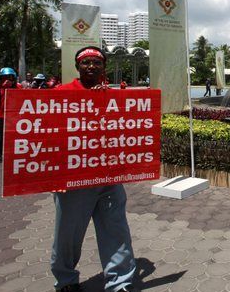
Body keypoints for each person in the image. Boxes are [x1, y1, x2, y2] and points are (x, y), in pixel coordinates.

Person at [51, 46, 136, 292]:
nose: (91, 67)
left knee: (116, 230)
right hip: (73, 178)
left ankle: (120, 282)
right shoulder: (60, 92)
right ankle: (66, 280)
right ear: (77, 67)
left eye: (97, 63)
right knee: (68, 234)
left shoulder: (112, 94)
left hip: (108, 176)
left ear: (103, 67)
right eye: (86, 62)